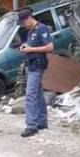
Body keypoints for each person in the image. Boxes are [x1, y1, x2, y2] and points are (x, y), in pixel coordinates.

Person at [17, 9, 53, 138]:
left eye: (23, 23)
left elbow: (50, 47)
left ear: (28, 18)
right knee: (37, 93)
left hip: (37, 66)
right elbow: (32, 44)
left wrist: (31, 49)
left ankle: (31, 126)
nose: (23, 26)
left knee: (30, 95)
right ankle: (42, 122)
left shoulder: (42, 28)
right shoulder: (31, 31)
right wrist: (25, 46)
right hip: (30, 65)